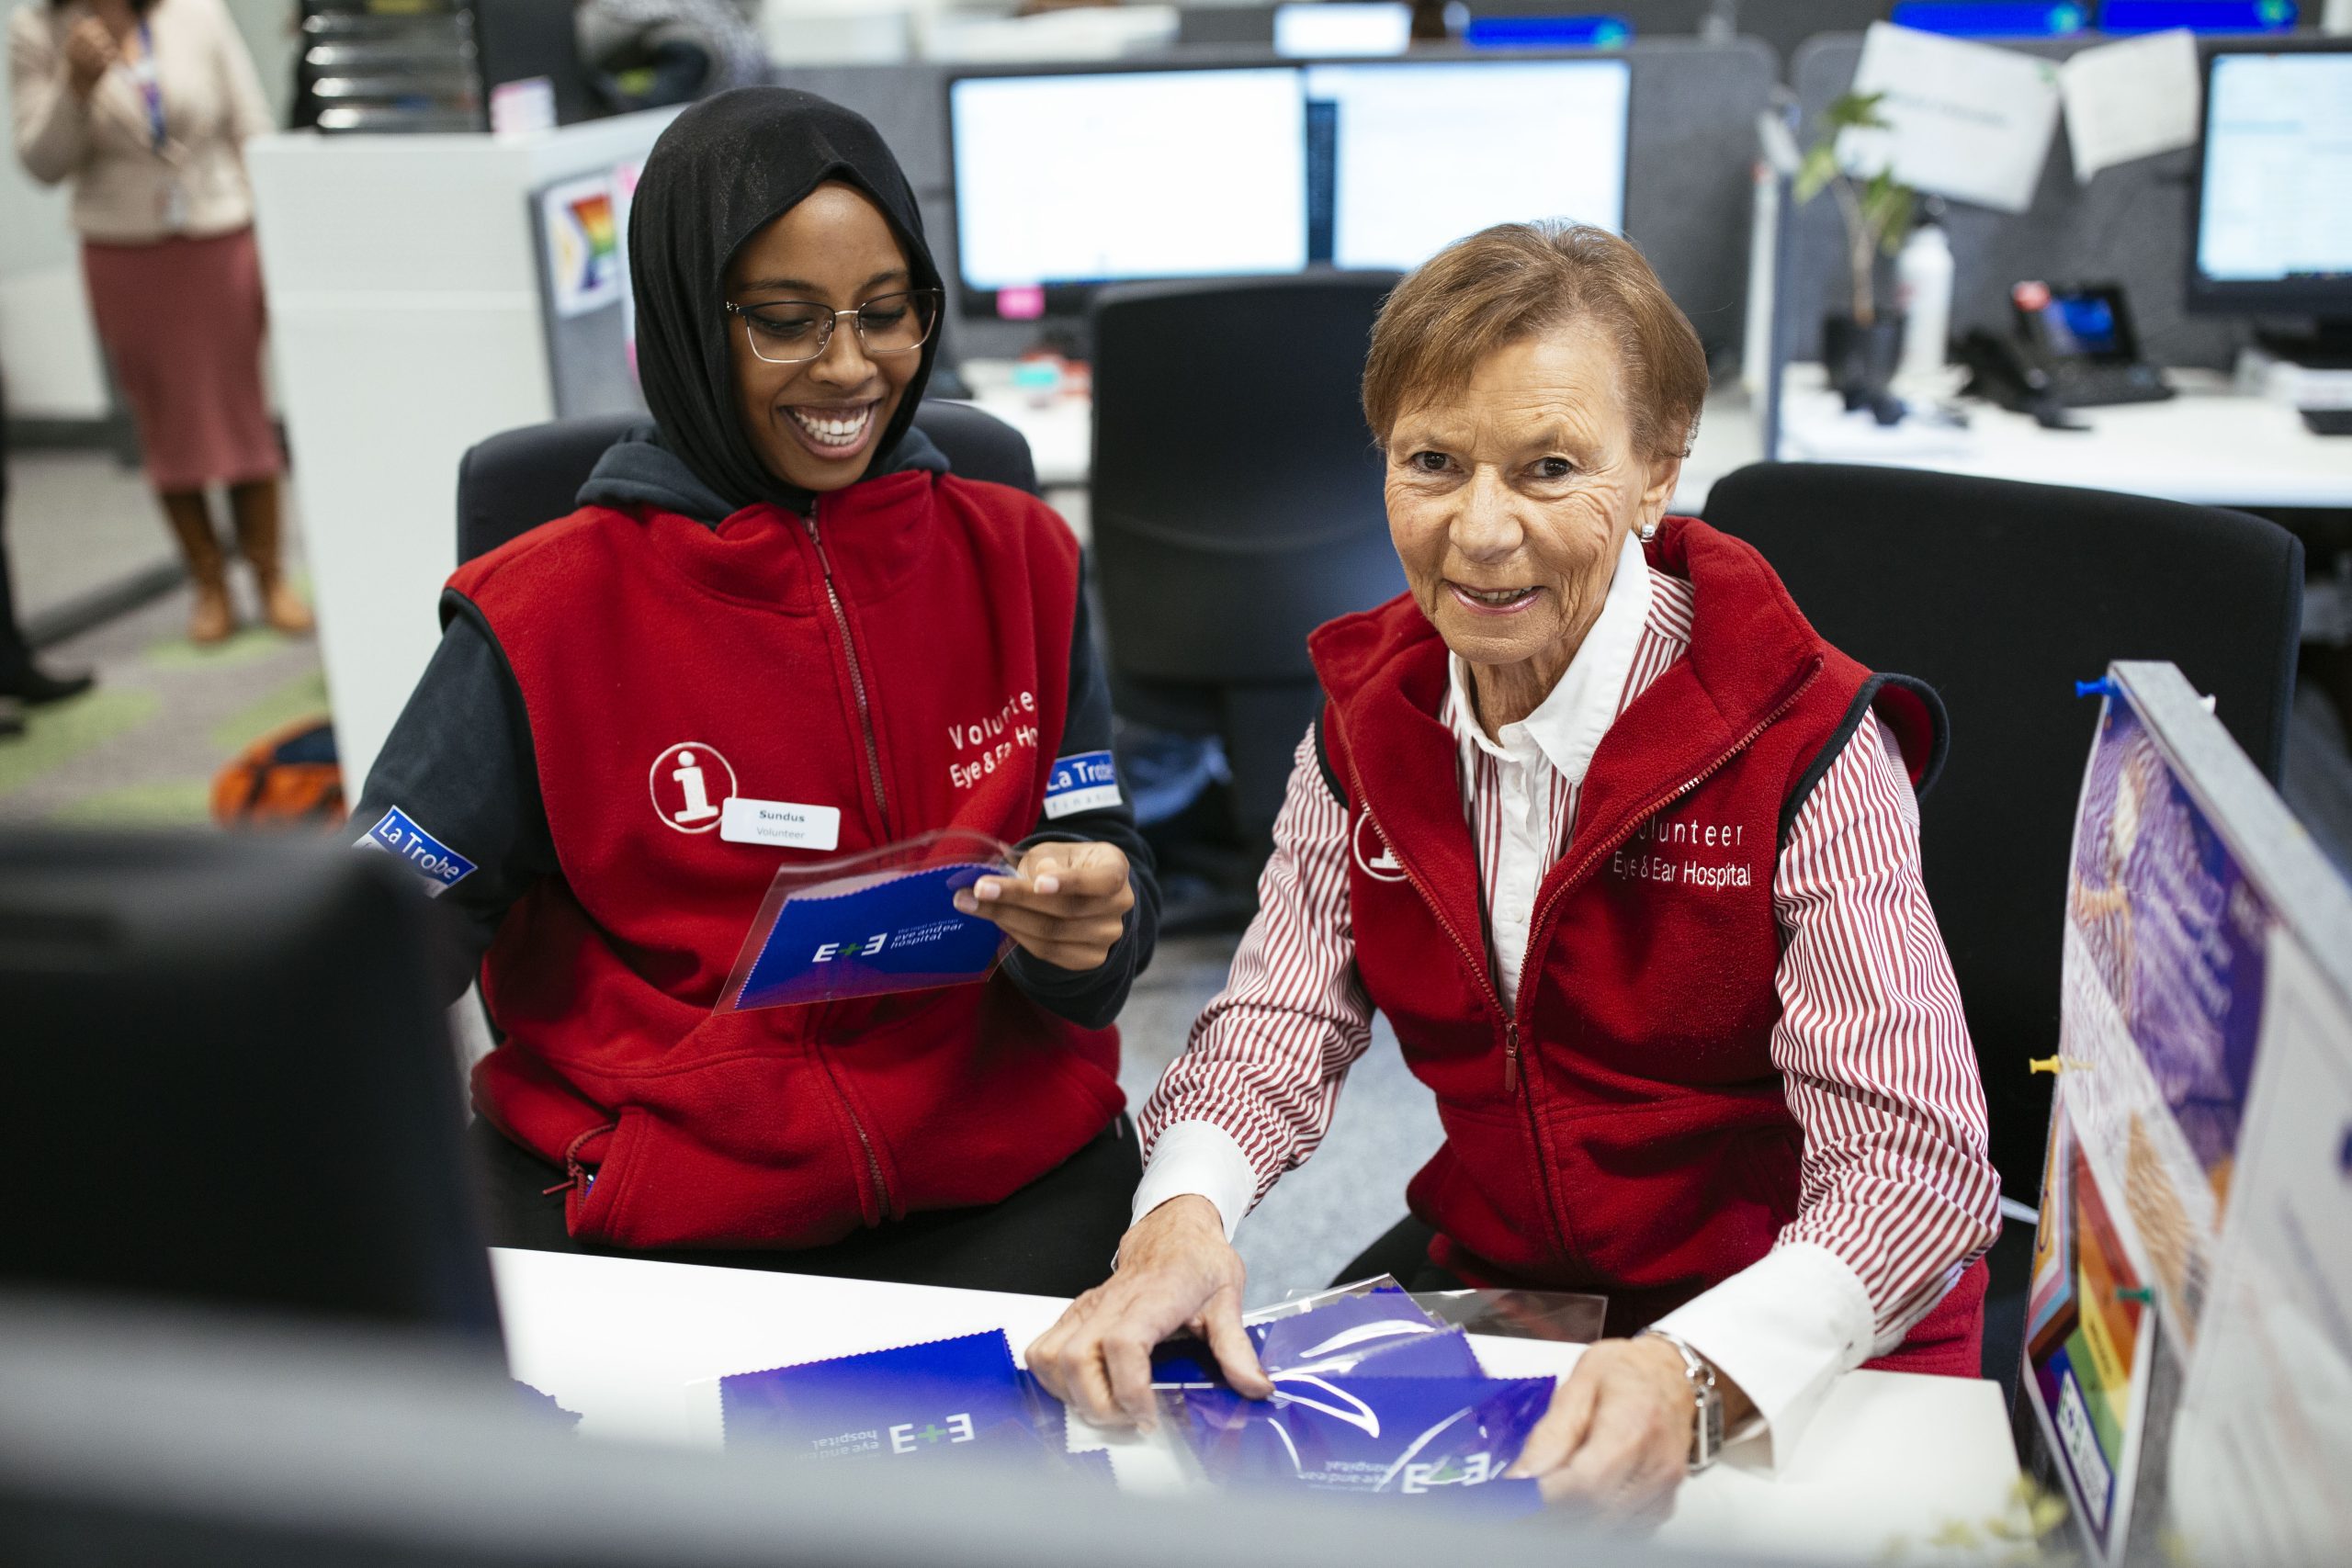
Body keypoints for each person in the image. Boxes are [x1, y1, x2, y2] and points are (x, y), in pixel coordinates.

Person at [1026, 222, 1999, 1522]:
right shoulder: (1369, 719)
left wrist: (1699, 1372)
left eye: (1549, 468)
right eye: (1432, 462)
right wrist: (1183, 1216)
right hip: (1518, 1280)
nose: (1479, 533)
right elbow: (1275, 1022)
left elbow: (1914, 1169)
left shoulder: (1805, 739)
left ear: (1657, 471)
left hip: (1799, 1315)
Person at [350, 88, 1159, 1298]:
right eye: (784, 323)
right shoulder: (539, 613)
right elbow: (371, 945)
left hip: (998, 1172)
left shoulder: (1024, 557)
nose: (850, 368)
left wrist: (1091, 922)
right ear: (687, 320)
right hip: (659, 1202)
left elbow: (1100, 873)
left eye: (888, 315)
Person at [10, 0, 310, 646]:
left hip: (220, 235)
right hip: (124, 251)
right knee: (166, 421)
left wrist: (271, 224)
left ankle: (269, 576)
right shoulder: (37, 31)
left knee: (241, 409)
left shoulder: (195, 11)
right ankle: (209, 583)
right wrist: (74, 88)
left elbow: (250, 121)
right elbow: (41, 162)